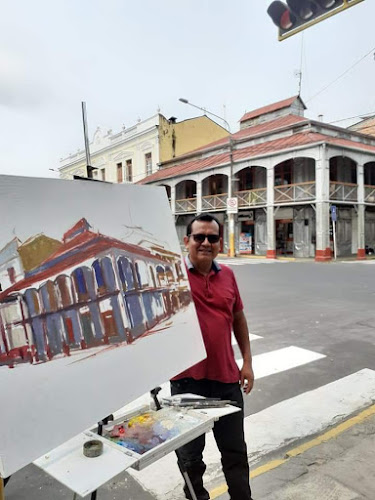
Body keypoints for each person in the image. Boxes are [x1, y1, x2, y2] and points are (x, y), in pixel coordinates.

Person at [171, 213, 254, 500]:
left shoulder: (228, 275)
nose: (206, 242)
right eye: (199, 237)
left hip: (227, 381)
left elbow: (238, 318)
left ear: (219, 242)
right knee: (190, 460)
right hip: (186, 384)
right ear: (187, 241)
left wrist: (247, 361)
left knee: (235, 454)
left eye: (212, 238)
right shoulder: (172, 277)